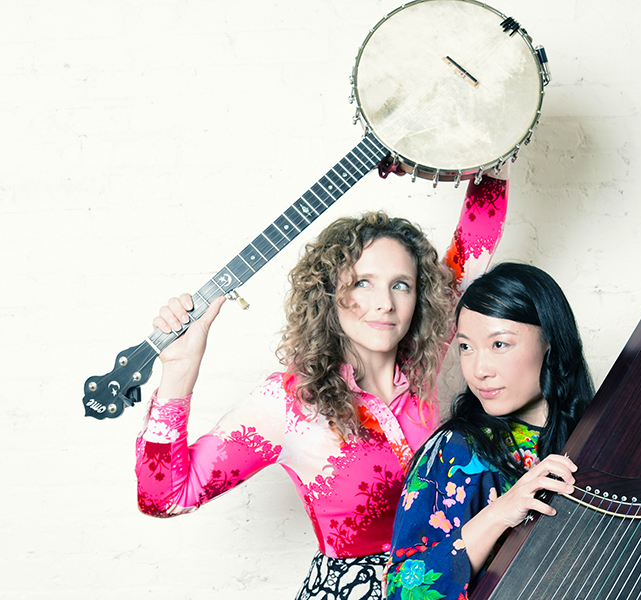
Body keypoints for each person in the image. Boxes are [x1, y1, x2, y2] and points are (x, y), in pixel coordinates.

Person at [134, 175, 508, 600]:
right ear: (329, 295)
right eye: (362, 282)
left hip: (458, 582)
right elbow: (164, 497)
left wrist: (495, 142)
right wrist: (180, 373)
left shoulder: (425, 367)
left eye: (399, 285)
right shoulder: (287, 403)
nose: (384, 302)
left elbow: (474, 248)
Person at [384, 262, 595, 600]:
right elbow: (400, 592)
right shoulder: (456, 449)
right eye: (466, 347)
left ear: (550, 342)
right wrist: (499, 513)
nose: (478, 369)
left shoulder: (596, 438)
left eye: (499, 345)